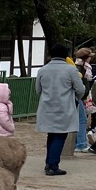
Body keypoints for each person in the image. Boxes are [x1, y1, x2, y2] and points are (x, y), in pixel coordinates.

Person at [34, 42, 84, 175]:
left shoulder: (42, 70)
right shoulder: (71, 70)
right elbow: (80, 89)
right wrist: (75, 98)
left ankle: (48, 162)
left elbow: (38, 89)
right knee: (60, 136)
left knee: (51, 135)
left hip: (47, 107)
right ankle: (53, 166)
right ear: (66, 55)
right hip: (64, 107)